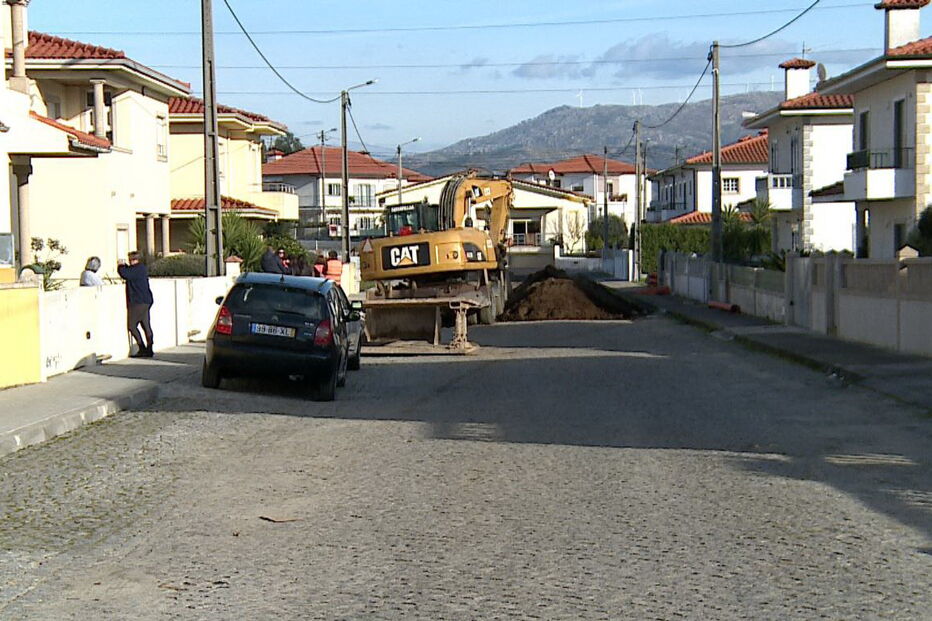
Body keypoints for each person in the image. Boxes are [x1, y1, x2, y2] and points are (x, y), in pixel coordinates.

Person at [117, 251, 154, 358]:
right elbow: (129, 272)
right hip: (146, 300)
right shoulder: (142, 268)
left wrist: (120, 266)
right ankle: (149, 348)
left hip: (137, 302)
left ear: (134, 260)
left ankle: (142, 348)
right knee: (145, 324)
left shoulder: (136, 270)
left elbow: (125, 274)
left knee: (132, 326)